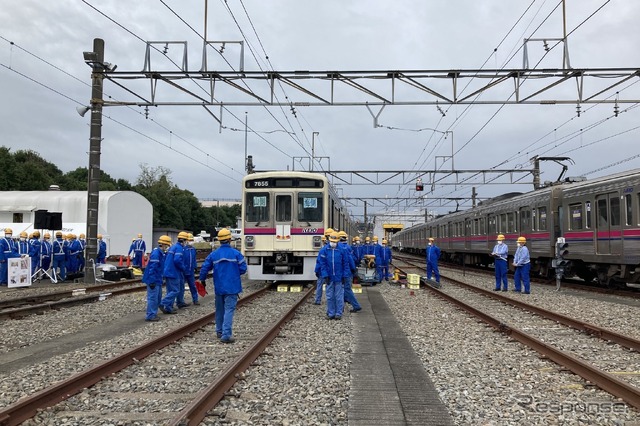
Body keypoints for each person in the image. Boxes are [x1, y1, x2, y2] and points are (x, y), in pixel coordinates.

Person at [198, 228, 247, 343]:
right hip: (232, 287)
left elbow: (204, 267)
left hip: (219, 286)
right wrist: (234, 273)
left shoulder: (214, 255)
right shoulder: (236, 254)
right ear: (230, 239)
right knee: (229, 309)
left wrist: (202, 279)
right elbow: (243, 269)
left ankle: (219, 331)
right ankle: (226, 335)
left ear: (219, 240)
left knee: (220, 310)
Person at [316, 232, 349, 320]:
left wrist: (345, 276)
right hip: (329, 277)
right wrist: (325, 275)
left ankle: (338, 313)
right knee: (330, 296)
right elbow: (322, 264)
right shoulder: (324, 250)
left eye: (335, 241)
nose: (333, 243)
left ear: (338, 241)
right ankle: (331, 313)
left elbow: (345, 264)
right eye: (332, 241)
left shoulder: (342, 250)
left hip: (339, 277)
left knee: (339, 296)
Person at [143, 235, 171, 322]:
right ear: (163, 244)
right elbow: (153, 268)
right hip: (154, 279)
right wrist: (152, 281)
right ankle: (150, 315)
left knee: (157, 297)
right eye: (167, 245)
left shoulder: (160, 253)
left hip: (157, 278)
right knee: (153, 298)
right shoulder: (156, 254)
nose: (167, 247)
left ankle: (153, 313)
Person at [159, 232, 188, 315]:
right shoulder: (179, 248)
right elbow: (177, 260)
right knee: (175, 290)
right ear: (184, 241)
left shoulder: (173, 247)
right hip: (173, 272)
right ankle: (163, 303)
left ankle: (168, 307)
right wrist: (183, 268)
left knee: (170, 290)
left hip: (168, 271)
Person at [339, 231, 361, 313]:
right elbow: (352, 259)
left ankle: (355, 305)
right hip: (348, 272)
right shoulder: (348, 247)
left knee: (343, 289)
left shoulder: (338, 247)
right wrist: (353, 269)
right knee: (346, 289)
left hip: (342, 272)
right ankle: (345, 303)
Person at [179, 233, 199, 307]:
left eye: (192, 240)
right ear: (186, 240)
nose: (191, 241)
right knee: (181, 287)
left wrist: (195, 267)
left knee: (193, 286)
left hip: (191, 271)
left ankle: (195, 299)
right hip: (184, 271)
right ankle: (180, 301)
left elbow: (194, 260)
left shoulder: (193, 249)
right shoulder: (183, 249)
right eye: (190, 240)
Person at [313, 231, 332, 305]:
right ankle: (330, 302)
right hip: (331, 272)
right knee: (330, 287)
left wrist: (316, 271)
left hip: (322, 272)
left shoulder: (323, 250)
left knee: (319, 285)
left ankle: (317, 300)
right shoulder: (337, 248)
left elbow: (319, 262)